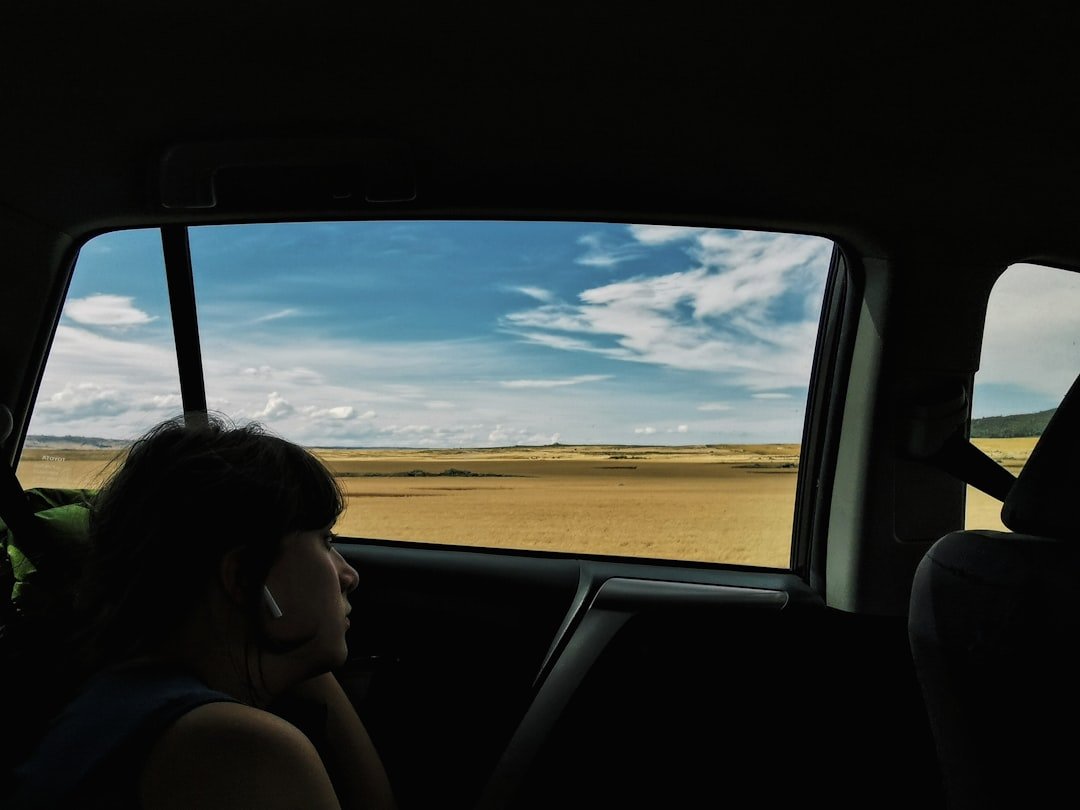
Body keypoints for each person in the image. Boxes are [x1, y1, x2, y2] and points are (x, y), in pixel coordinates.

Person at [6, 413, 397, 810]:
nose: (349, 575)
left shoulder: (126, 696)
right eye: (326, 541)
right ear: (244, 577)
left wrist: (300, 652)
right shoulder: (232, 748)